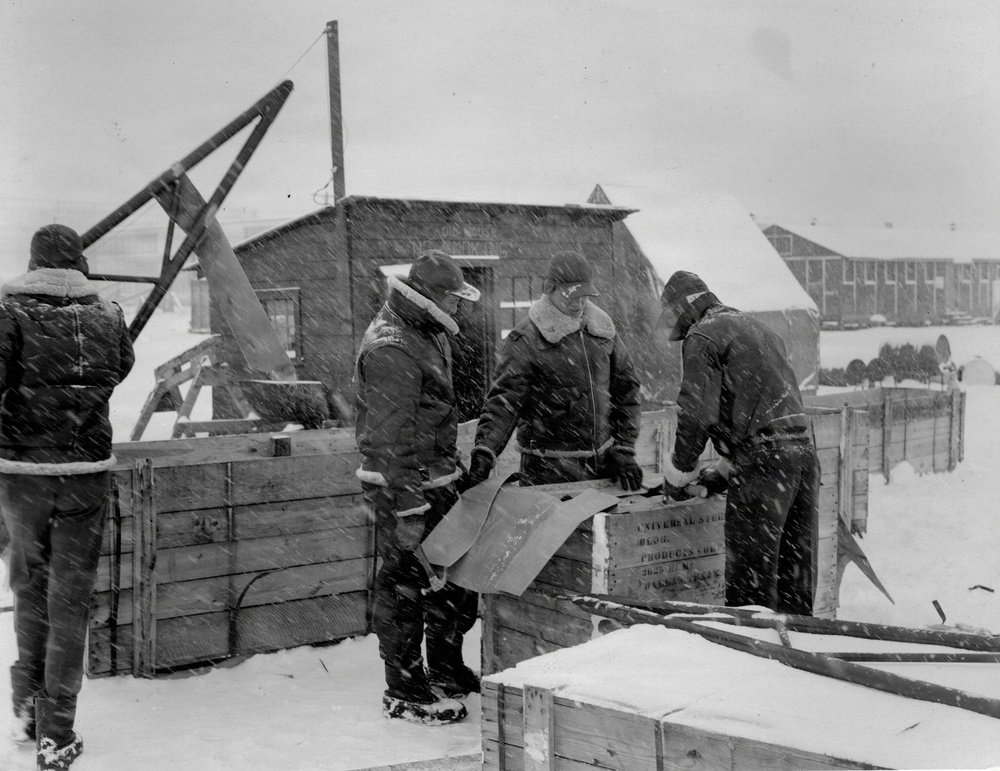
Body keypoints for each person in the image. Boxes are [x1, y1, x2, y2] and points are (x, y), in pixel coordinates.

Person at [0, 224, 135, 770]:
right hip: (84, 475)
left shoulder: (8, 312)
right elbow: (119, 369)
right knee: (69, 601)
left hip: (22, 477)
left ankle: (26, 706)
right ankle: (58, 732)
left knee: (29, 587)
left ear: (34, 262)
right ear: (79, 261)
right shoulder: (108, 314)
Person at [354, 250, 482, 726]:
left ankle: (445, 669)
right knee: (404, 586)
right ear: (430, 295)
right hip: (403, 489)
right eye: (454, 297)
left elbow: (429, 417)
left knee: (450, 583)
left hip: (434, 480)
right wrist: (408, 508)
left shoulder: (426, 331)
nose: (460, 306)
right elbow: (391, 439)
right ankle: (404, 689)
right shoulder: (392, 346)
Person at [657, 270, 818, 616]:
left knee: (751, 588)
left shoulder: (702, 336)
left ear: (682, 307)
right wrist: (723, 471)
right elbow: (762, 408)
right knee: (794, 580)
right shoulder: (756, 328)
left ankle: (749, 648)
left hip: (764, 464)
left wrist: (680, 474)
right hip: (802, 456)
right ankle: (801, 645)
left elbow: (696, 415)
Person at [465, 251, 642, 489]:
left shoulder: (603, 331)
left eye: (583, 296)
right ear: (550, 289)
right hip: (547, 468)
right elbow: (505, 401)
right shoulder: (527, 337)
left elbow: (627, 390)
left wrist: (624, 448)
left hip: (602, 466)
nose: (578, 303)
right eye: (570, 296)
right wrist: (485, 451)